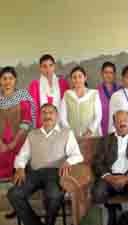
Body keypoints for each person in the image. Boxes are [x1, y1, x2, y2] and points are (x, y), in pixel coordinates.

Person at [7, 103, 83, 225]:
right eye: (44, 113)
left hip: (55, 173)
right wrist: (20, 167)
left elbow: (78, 155)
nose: (47, 115)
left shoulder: (67, 133)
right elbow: (23, 155)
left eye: (50, 112)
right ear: (39, 117)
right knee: (13, 194)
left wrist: (68, 161)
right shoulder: (32, 134)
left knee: (54, 195)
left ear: (57, 116)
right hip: (35, 173)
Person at [91, 110, 128, 216]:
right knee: (98, 192)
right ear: (114, 124)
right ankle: (108, 214)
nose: (122, 123)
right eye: (118, 121)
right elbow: (97, 162)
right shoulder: (105, 140)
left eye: (125, 120)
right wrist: (109, 177)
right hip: (109, 177)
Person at [0, 67, 36, 219]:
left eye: (10, 78)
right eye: (4, 78)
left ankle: (22, 209)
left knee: (19, 176)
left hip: (20, 143)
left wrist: (15, 142)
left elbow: (27, 120)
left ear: (15, 80)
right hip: (1, 146)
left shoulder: (22, 95)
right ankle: (16, 206)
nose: (7, 81)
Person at [28, 54, 69, 128]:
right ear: (40, 68)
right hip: (41, 126)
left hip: (60, 125)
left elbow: (66, 106)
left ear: (54, 66)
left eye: (50, 65)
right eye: (44, 66)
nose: (48, 69)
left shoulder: (63, 83)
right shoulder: (34, 85)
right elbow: (33, 109)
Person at [60, 66, 102, 137]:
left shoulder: (94, 94)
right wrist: (70, 132)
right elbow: (62, 117)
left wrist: (90, 131)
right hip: (72, 136)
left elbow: (98, 115)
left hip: (91, 136)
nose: (77, 80)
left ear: (85, 78)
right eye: (74, 77)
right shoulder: (67, 94)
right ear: (71, 79)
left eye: (80, 76)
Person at [97, 62, 120, 136]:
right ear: (101, 74)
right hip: (103, 130)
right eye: (106, 72)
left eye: (111, 72)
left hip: (119, 128)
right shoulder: (96, 92)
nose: (108, 75)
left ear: (114, 74)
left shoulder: (120, 90)